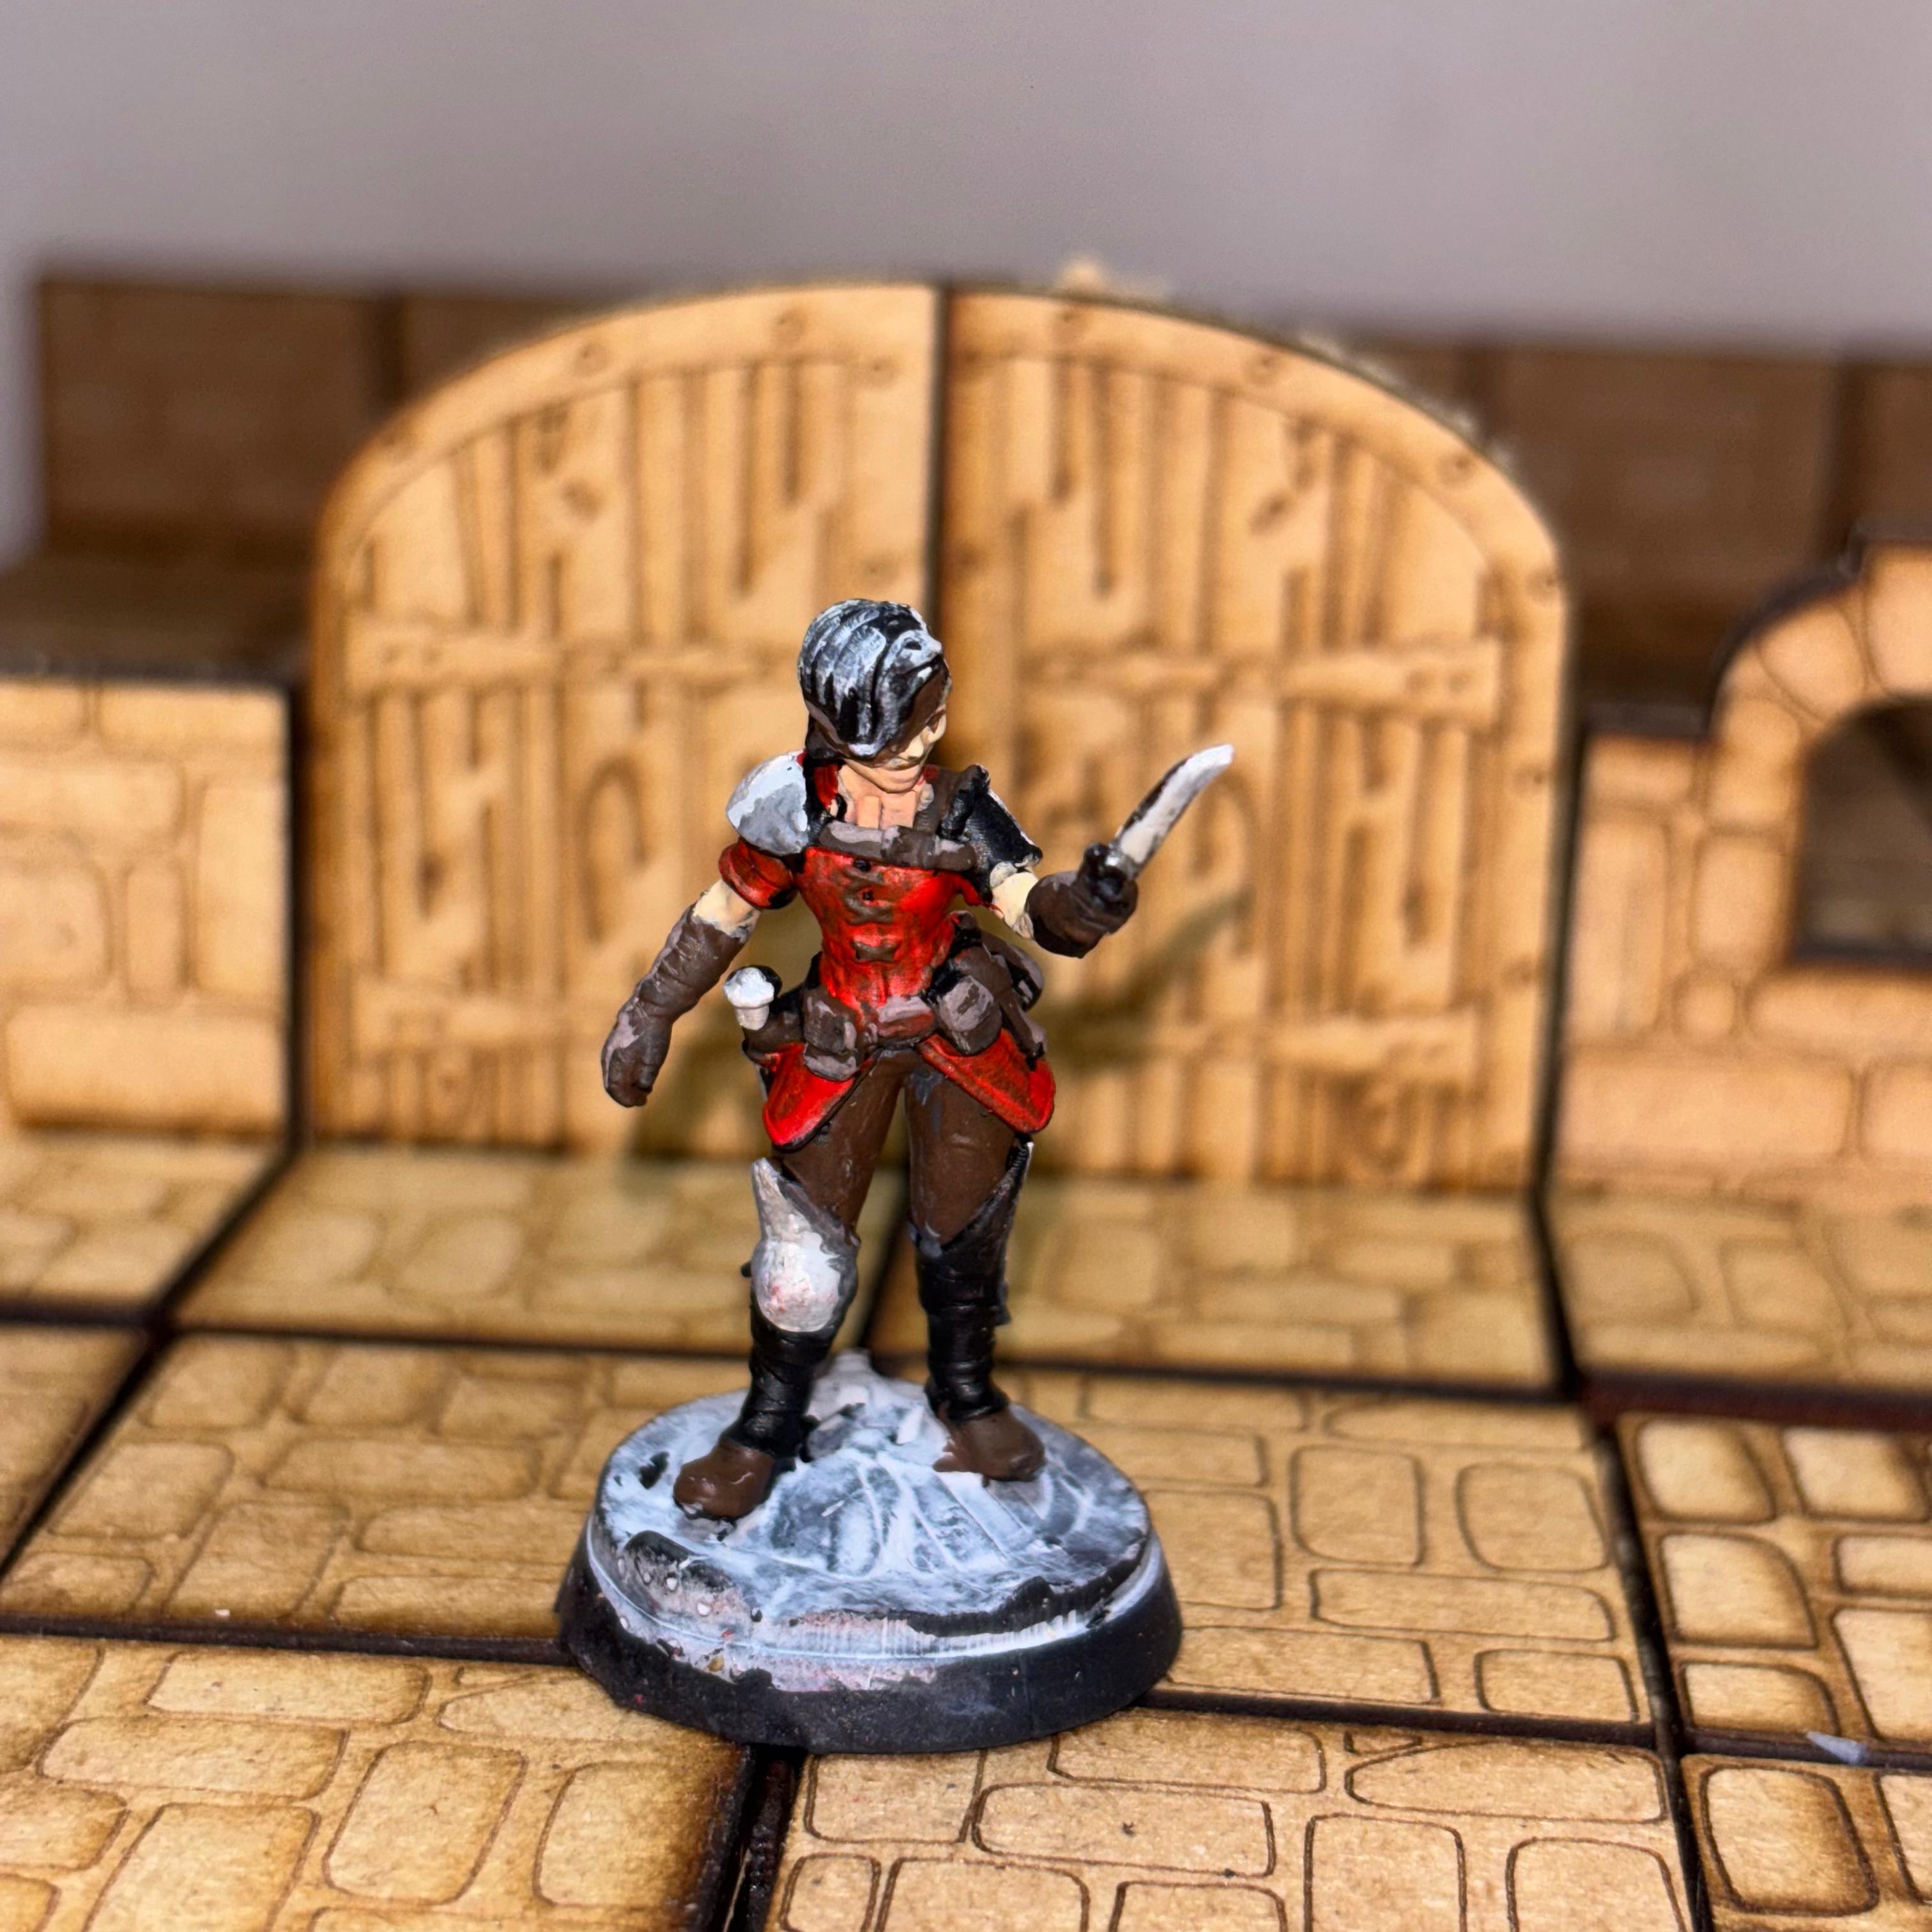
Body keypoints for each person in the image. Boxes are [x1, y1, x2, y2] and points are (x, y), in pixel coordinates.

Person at [601, 599, 1137, 1519]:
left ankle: (966, 1397)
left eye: (937, 715)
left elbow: (1024, 904)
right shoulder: (793, 808)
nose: (928, 738)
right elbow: (723, 913)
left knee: (965, 1232)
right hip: (841, 1033)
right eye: (906, 727)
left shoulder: (960, 809)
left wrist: (1080, 907)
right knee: (800, 1259)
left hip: (956, 1033)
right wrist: (650, 1011)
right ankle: (767, 1425)